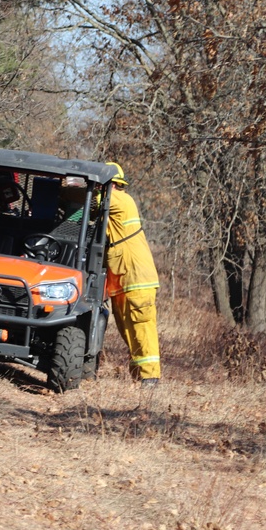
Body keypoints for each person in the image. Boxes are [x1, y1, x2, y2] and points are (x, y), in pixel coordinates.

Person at [104, 163, 161, 387]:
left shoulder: (119, 199)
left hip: (137, 278)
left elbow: (91, 198)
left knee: (141, 327)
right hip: (123, 279)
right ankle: (140, 376)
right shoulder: (113, 203)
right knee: (129, 330)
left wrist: (62, 184)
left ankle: (150, 377)